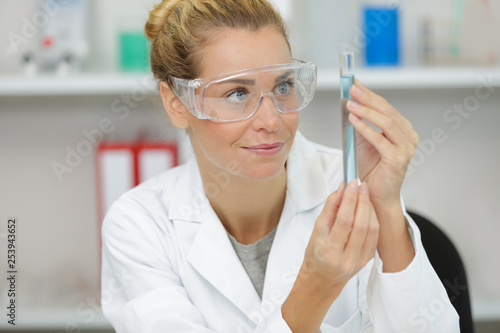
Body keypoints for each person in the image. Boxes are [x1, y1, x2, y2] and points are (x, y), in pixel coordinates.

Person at [100, 0, 460, 332]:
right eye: (237, 93)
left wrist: (386, 206)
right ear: (177, 103)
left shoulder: (354, 182)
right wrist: (315, 286)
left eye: (284, 86)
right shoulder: (140, 225)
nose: (271, 120)